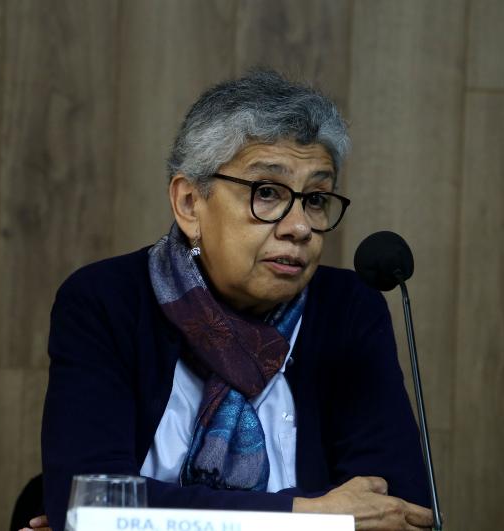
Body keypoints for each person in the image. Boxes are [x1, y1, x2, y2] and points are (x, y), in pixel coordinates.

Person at [31, 70, 434, 531]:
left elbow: (397, 512)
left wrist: (144, 515)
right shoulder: (107, 302)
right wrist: (313, 515)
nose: (299, 227)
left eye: (316, 198)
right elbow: (88, 503)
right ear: (189, 203)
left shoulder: (348, 310)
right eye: (267, 193)